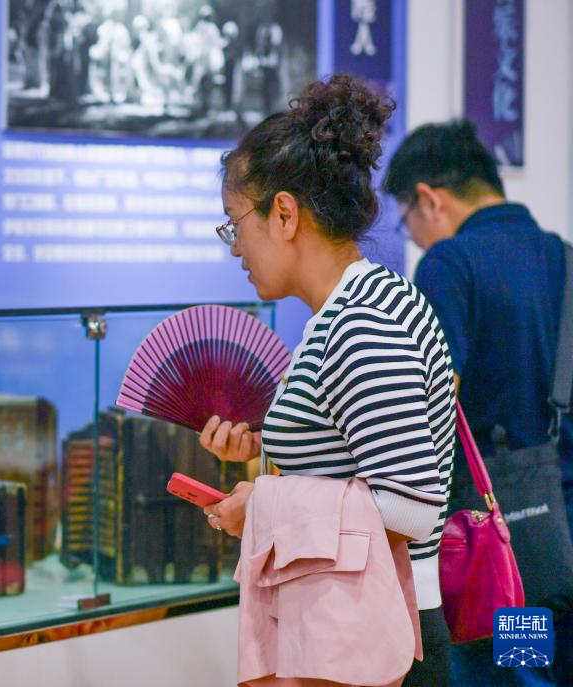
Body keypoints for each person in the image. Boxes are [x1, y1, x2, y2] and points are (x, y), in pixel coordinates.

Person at [199, 74, 457, 686]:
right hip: (356, 630)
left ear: (285, 214)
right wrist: (264, 448)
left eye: (235, 223)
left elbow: (410, 505)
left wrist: (262, 505)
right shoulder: (357, 306)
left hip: (381, 639)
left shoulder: (361, 323)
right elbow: (353, 463)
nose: (235, 248)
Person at [384, 120, 573, 685]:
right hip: (563, 534)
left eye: (407, 222)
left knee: (515, 676)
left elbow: (434, 403)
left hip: (508, 548)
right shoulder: (564, 259)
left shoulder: (450, 264)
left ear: (428, 198)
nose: (415, 238)